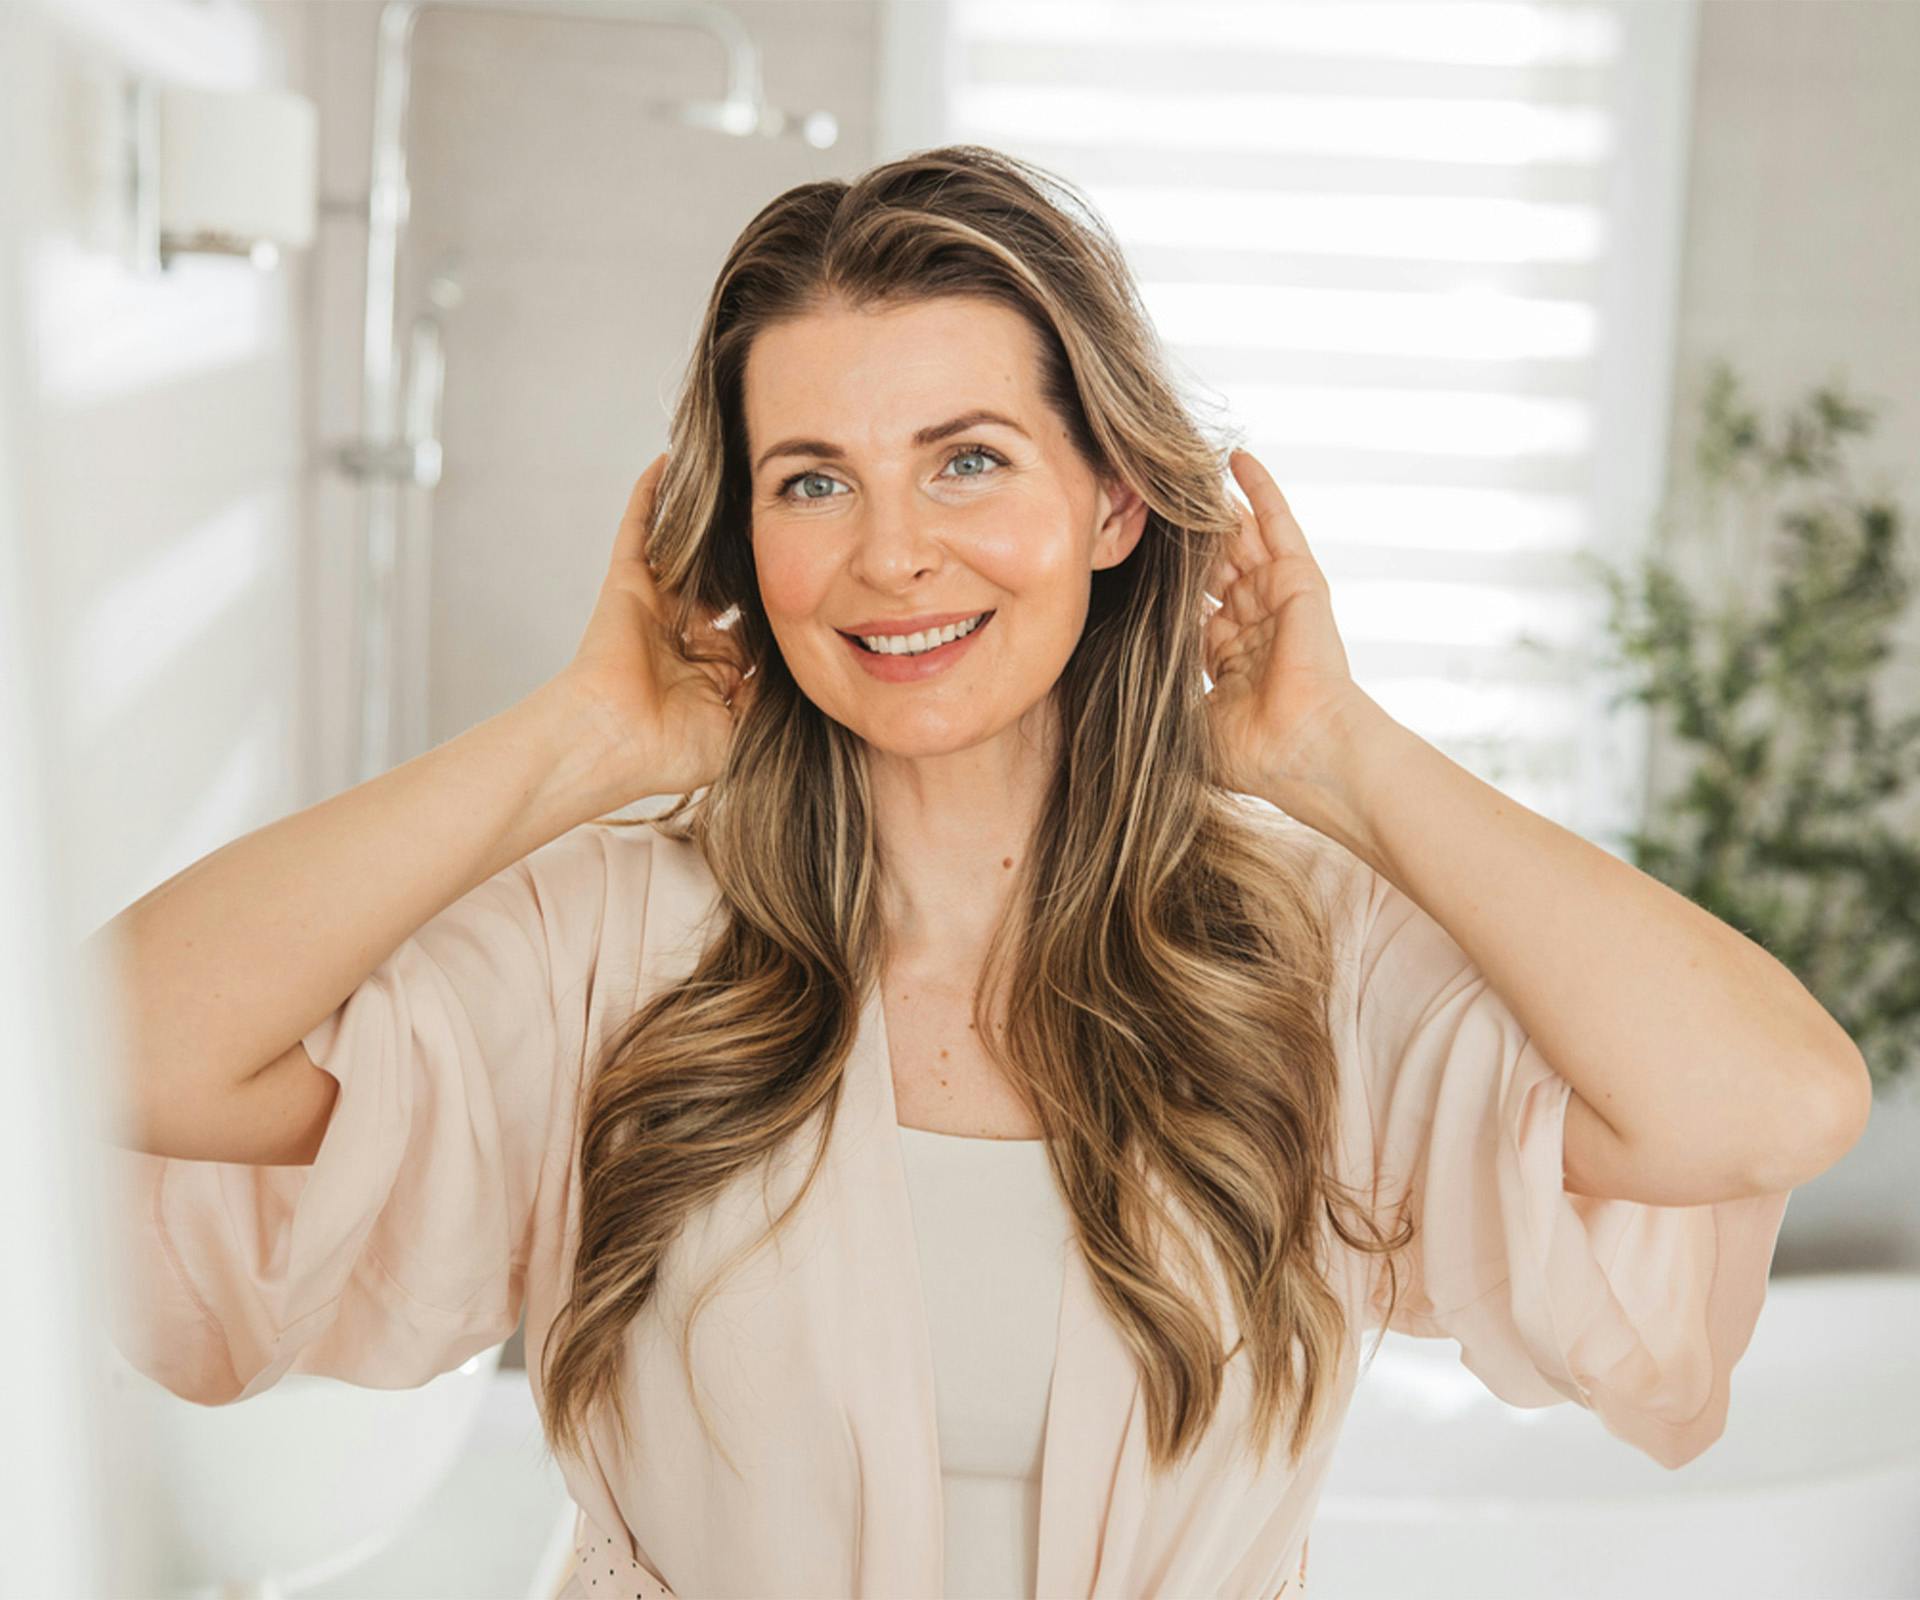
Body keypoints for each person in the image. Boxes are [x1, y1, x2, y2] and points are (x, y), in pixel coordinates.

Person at [96, 145, 1865, 1600]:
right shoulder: (617, 946)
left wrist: (1339, 756)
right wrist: (579, 741)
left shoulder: (1297, 961)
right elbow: (104, 1047)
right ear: (744, 539)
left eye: (967, 461)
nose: (892, 556)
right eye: (812, 483)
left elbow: (1772, 1104)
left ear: (1113, 504)